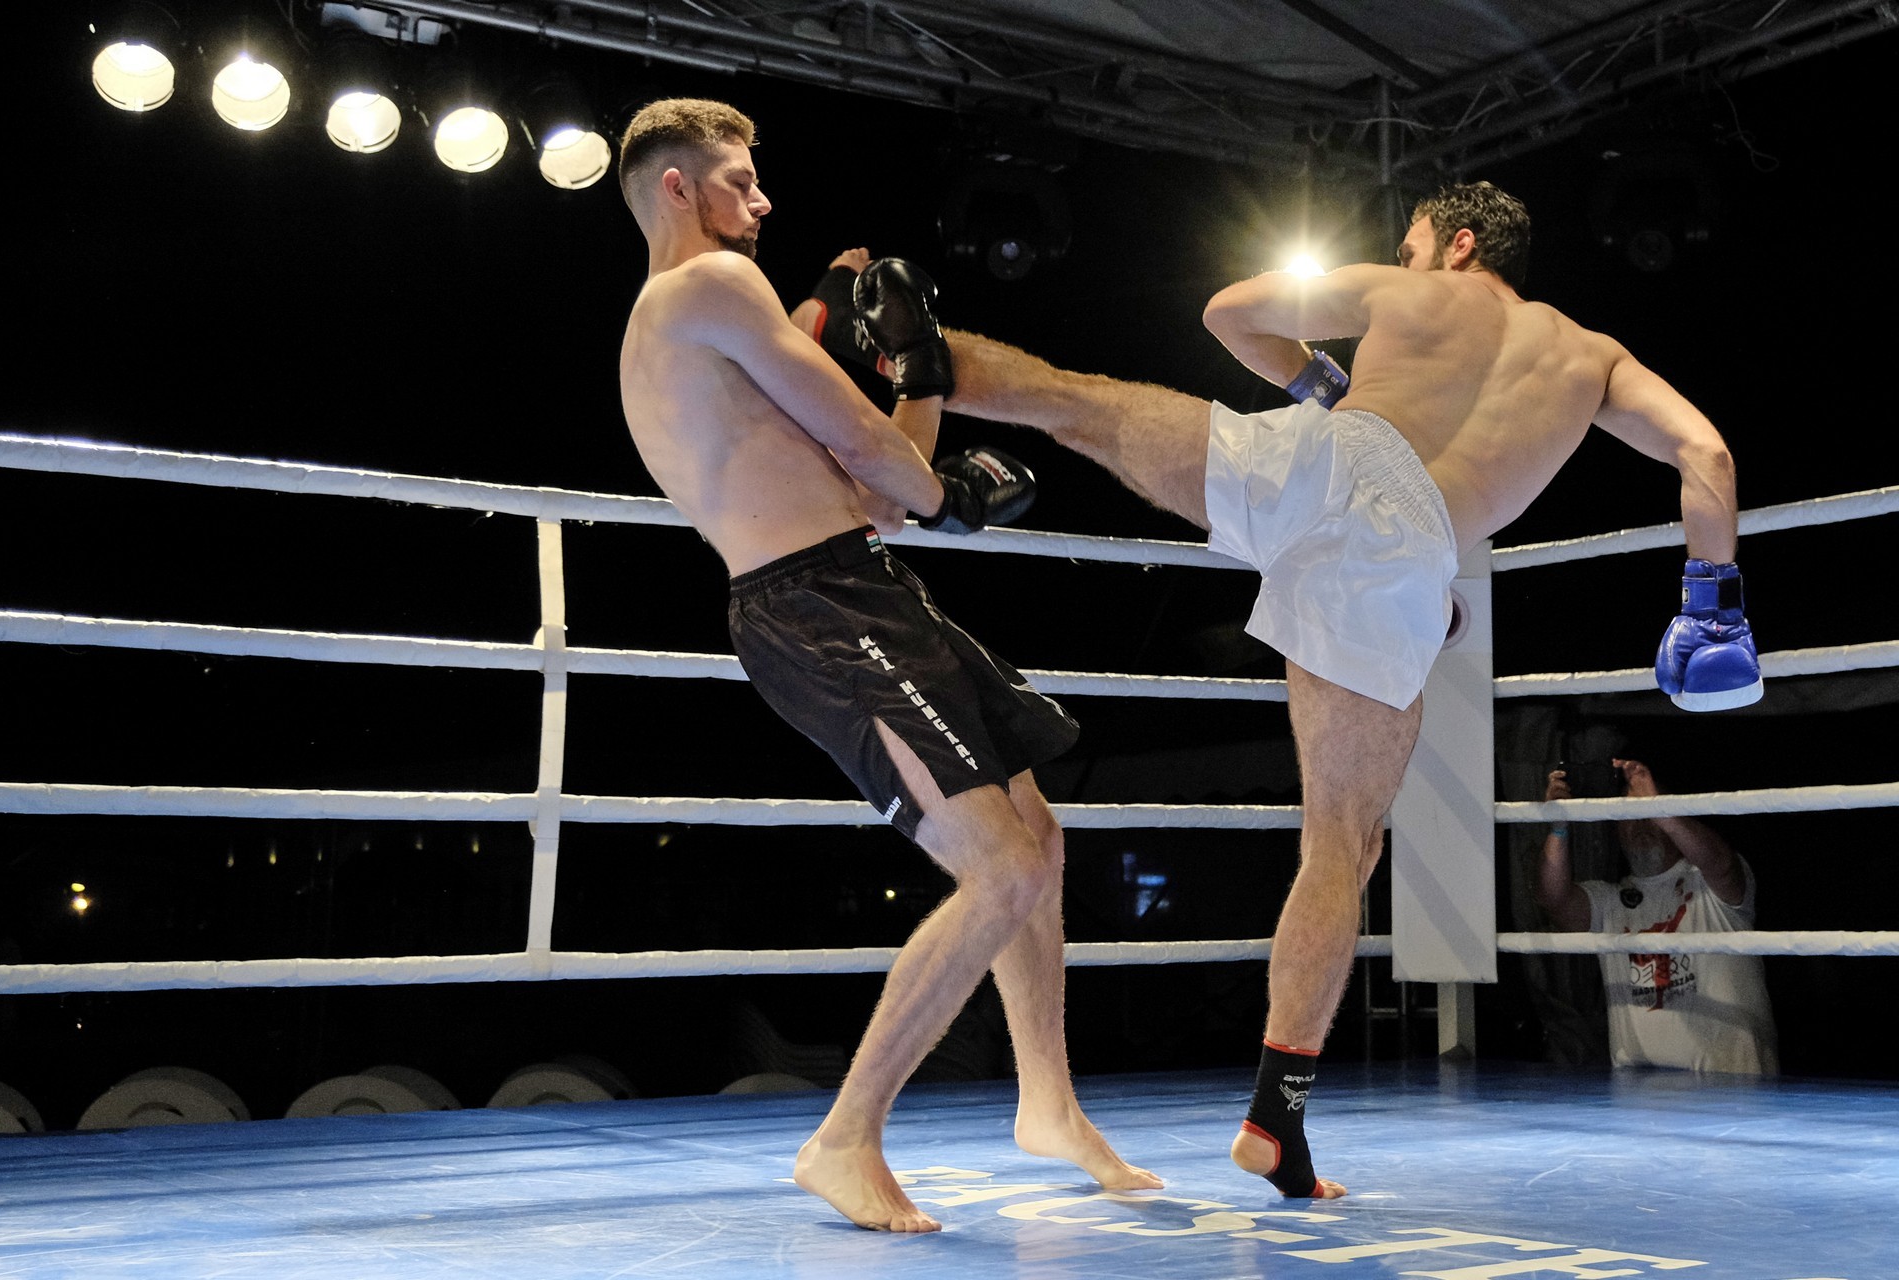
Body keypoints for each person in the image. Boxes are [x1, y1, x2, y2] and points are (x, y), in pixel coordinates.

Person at [796, 181, 1761, 1200]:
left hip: (1315, 457)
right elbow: (1706, 453)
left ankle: (890, 347)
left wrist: (1322, 382)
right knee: (1341, 845)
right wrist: (1711, 604)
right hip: (1409, 546)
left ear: (1460, 244)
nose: (1405, 255)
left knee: (1077, 400)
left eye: (1413, 244)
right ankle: (1276, 1119)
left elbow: (1229, 312)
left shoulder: (1406, 293)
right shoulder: (1594, 358)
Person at [612, 98, 1158, 1235]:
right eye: (740, 180)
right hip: (814, 607)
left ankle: (1049, 1103)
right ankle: (845, 1136)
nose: (761, 202)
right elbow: (881, 459)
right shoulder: (704, 287)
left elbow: (884, 483)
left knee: (1038, 837)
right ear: (676, 186)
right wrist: (946, 492)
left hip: (861, 585)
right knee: (1001, 868)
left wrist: (921, 368)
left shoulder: (700, 329)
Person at [1535, 758, 1778, 1074]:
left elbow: (1723, 865)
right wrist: (1559, 827)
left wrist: (1661, 808)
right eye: (1630, 814)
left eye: (1648, 810)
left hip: (1732, 1085)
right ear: (1616, 829)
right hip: (1640, 1092)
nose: (1640, 821)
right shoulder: (1609, 901)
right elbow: (1553, 898)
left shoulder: (1709, 883)